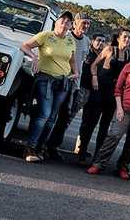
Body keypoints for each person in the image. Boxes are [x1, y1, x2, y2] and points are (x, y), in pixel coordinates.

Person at [86, 43, 130, 179]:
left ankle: (123, 167)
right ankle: (98, 164)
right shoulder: (129, 67)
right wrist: (119, 108)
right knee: (114, 135)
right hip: (125, 108)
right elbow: (118, 89)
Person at [19, 11, 79, 163]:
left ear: (71, 26)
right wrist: (34, 57)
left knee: (52, 118)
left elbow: (71, 61)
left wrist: (76, 72)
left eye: (68, 22)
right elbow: (25, 46)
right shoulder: (46, 35)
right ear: (56, 22)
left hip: (63, 82)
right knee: (44, 114)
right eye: (62, 20)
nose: (65, 23)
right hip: (45, 79)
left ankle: (39, 148)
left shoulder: (71, 41)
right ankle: (30, 148)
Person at [76, 29, 130, 164]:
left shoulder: (129, 57)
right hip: (99, 90)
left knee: (104, 127)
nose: (127, 40)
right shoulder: (109, 49)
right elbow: (94, 65)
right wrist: (94, 78)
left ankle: (97, 156)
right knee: (90, 123)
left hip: (113, 95)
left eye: (129, 38)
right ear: (118, 38)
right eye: (125, 37)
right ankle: (82, 151)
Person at [45, 12, 92, 160]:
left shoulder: (86, 41)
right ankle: (40, 145)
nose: (86, 26)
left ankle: (52, 147)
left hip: (74, 84)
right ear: (75, 23)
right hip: (60, 79)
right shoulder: (67, 37)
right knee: (51, 114)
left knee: (65, 117)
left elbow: (81, 63)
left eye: (88, 23)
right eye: (84, 22)